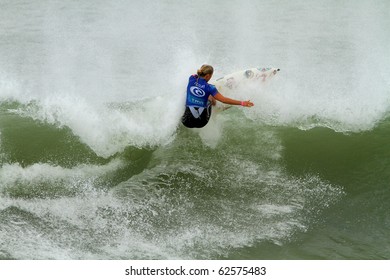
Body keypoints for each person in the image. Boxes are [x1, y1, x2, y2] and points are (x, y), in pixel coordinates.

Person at [181, 64, 254, 128]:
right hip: (201, 123)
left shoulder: (191, 79)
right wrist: (242, 103)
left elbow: (196, 75)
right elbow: (224, 100)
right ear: (207, 76)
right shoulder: (210, 87)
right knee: (210, 97)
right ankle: (214, 104)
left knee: (187, 93)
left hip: (186, 122)